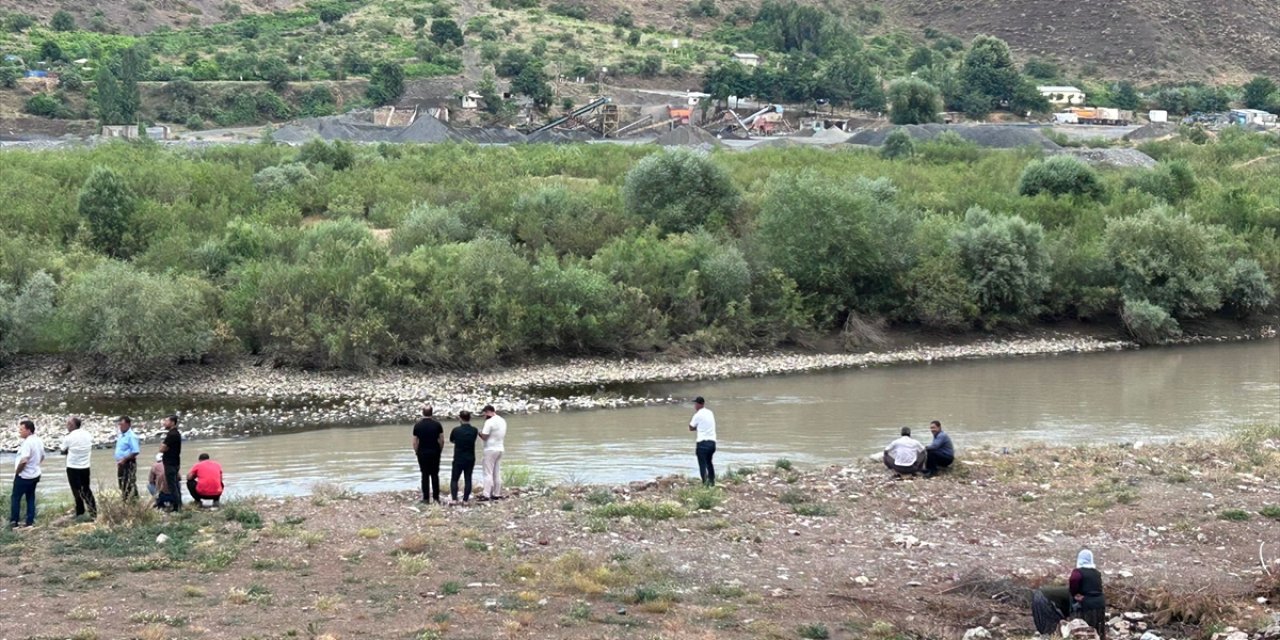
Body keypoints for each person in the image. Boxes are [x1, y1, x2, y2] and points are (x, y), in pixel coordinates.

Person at [10, 420, 45, 529]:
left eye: (21, 429)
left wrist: (17, 472)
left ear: (28, 430)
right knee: (30, 498)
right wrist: (34, 465)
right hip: (35, 474)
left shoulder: (27, 443)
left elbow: (24, 460)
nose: (19, 432)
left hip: (24, 476)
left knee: (15, 498)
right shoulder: (38, 440)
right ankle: (29, 522)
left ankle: (14, 522)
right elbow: (42, 456)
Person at [60, 416, 97, 520]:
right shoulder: (87, 434)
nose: (67, 426)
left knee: (76, 491)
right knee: (86, 489)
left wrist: (69, 450)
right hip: (85, 466)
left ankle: (80, 512)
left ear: (72, 426)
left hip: (73, 467)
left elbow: (63, 450)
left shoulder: (69, 437)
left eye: (68, 424)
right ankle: (93, 512)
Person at [1069, 549, 1106, 640]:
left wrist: (1075, 595)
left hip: (1086, 605)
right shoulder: (1096, 573)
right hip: (1100, 604)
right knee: (1098, 630)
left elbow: (1073, 583)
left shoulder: (1077, 573)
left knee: (1086, 632)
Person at [412, 405, 445, 503]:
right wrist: (440, 450)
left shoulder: (417, 425)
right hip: (435, 451)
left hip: (422, 452)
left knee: (424, 475)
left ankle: (426, 498)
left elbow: (414, 441)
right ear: (432, 412)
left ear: (423, 413)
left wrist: (416, 451)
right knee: (435, 475)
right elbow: (442, 440)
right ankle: (436, 498)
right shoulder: (437, 425)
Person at [449, 410, 479, 503]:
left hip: (458, 458)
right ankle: (465, 500)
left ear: (460, 418)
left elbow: (452, 440)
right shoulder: (474, 430)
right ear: (470, 418)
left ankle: (454, 499)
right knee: (468, 478)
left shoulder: (456, 430)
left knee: (454, 479)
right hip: (470, 458)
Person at [478, 405, 507, 501]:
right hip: (500, 448)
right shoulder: (502, 420)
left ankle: (486, 494)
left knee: (488, 473)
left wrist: (479, 433)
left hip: (490, 449)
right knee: (497, 472)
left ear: (488, 412)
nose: (485, 415)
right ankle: (496, 493)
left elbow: (485, 436)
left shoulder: (489, 422)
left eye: (485, 413)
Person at [156, 415, 183, 511]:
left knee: (172, 485)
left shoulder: (172, 434)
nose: (164, 423)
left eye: (166, 421)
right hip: (175, 462)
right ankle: (179, 504)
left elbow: (162, 449)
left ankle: (177, 507)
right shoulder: (176, 433)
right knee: (175, 484)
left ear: (172, 422)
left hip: (170, 463)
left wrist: (163, 447)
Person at [689, 396, 717, 486]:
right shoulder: (710, 412)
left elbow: (691, 427)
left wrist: (697, 427)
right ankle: (712, 482)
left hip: (702, 443)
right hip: (712, 443)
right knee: (709, 462)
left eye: (695, 404)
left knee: (702, 464)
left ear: (698, 404)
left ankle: (705, 484)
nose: (695, 406)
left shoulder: (697, 415)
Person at [114, 416, 141, 499]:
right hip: (121, 463)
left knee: (128, 482)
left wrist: (124, 459)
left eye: (122, 425)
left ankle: (132, 500)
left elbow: (135, 451)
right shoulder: (121, 435)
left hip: (128, 463)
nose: (120, 427)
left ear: (128, 425)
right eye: (119, 425)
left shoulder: (131, 436)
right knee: (122, 483)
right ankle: (127, 500)